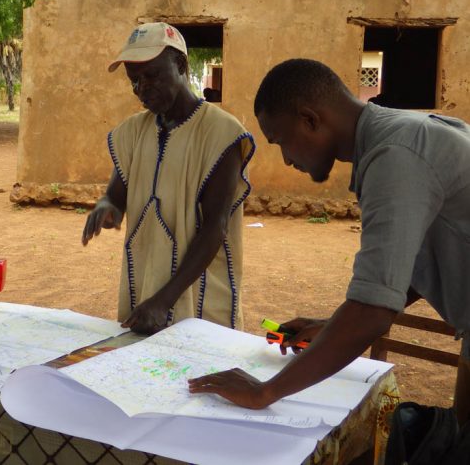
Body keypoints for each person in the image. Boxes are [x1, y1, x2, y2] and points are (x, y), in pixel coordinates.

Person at [188, 58, 470, 424]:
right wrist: (332, 322)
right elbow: (407, 270)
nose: (287, 160)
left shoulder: (395, 158)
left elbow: (372, 312)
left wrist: (265, 391)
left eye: (281, 142)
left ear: (310, 119)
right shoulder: (402, 135)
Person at [82, 22, 255, 334]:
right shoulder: (133, 132)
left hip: (199, 298)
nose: (142, 88)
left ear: (181, 65)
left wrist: (164, 301)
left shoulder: (222, 135)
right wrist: (107, 207)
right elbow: (116, 196)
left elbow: (215, 226)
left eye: (152, 76)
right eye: (134, 81)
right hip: (145, 288)